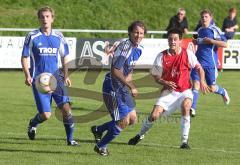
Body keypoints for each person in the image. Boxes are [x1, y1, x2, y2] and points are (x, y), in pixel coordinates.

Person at [128, 28, 209, 149]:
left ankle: (184, 141)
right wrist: (164, 82)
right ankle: (140, 135)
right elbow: (155, 76)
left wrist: (202, 80)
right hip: (168, 92)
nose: (173, 42)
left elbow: (199, 68)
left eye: (175, 39)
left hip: (185, 90)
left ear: (180, 40)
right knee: (154, 115)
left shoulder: (188, 54)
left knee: (186, 106)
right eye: (170, 39)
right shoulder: (161, 56)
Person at [21, 6, 78, 146]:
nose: (45, 19)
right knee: (46, 115)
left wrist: (66, 75)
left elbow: (65, 57)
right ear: (39, 19)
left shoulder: (58, 36)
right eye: (42, 17)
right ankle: (33, 123)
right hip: (39, 81)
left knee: (66, 109)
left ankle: (70, 140)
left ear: (52, 18)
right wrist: (27, 75)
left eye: (47, 16)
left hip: (57, 79)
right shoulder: (32, 36)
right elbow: (24, 56)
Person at [90, 21, 146, 156]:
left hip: (122, 87)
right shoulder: (125, 47)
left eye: (141, 33)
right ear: (130, 33)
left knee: (132, 119)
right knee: (122, 121)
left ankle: (98, 129)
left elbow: (129, 70)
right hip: (112, 87)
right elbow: (115, 71)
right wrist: (131, 86)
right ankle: (101, 146)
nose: (138, 35)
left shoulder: (139, 49)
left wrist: (129, 84)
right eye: (136, 32)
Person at [190, 9, 230, 117]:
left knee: (212, 88)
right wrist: (196, 41)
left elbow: (225, 44)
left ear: (210, 18)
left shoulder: (214, 30)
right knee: (196, 84)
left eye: (206, 17)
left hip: (210, 64)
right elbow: (199, 41)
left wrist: (212, 41)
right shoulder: (199, 30)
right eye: (202, 17)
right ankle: (192, 109)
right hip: (198, 62)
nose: (203, 19)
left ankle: (222, 91)